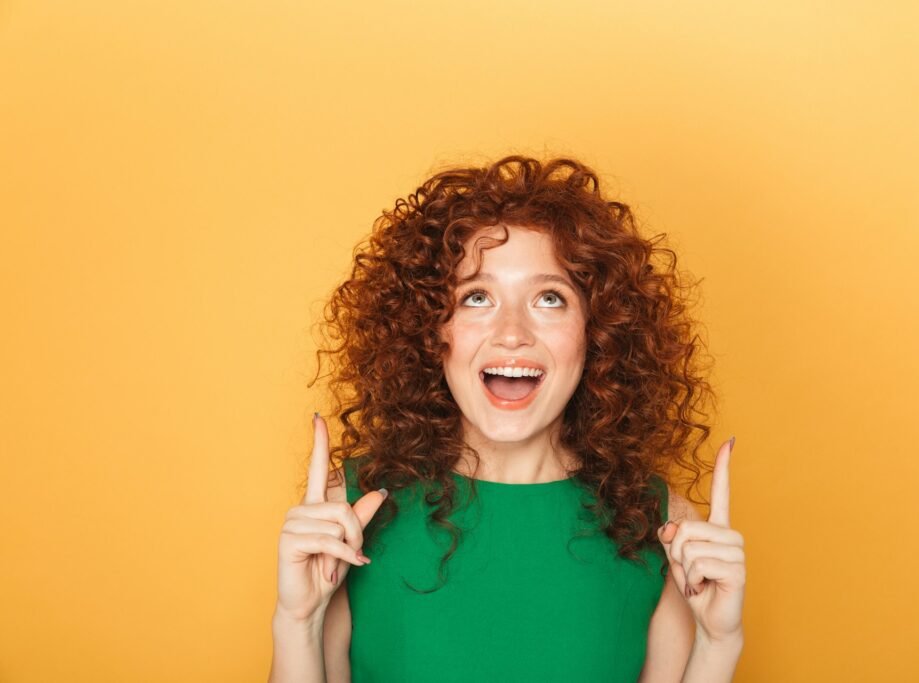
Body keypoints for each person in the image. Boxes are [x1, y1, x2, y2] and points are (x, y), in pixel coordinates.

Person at [269, 155, 746, 682]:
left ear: (599, 333)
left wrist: (718, 645)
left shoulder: (661, 525)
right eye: (477, 297)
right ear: (432, 331)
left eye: (549, 298)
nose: (512, 332)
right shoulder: (351, 514)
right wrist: (298, 622)